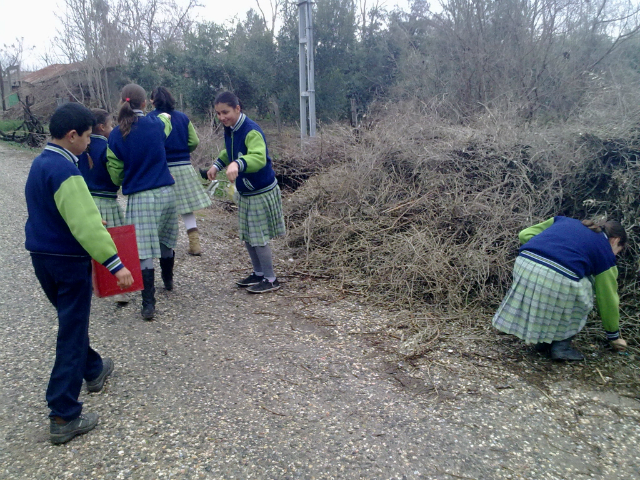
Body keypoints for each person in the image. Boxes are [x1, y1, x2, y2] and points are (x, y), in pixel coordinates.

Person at [25, 102, 134, 444]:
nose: (90, 143)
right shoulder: (66, 171)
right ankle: (63, 413)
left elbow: (55, 212)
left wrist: (87, 221)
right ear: (72, 135)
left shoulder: (41, 163)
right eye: (87, 137)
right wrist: (116, 265)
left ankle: (94, 369)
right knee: (71, 332)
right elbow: (85, 226)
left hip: (42, 256)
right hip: (67, 261)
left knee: (71, 321)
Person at [492, 216, 628, 361]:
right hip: (556, 277)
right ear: (615, 240)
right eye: (618, 250)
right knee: (585, 287)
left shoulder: (563, 220)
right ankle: (561, 347)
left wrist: (545, 251)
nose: (615, 255)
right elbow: (607, 299)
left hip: (524, 265)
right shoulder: (605, 253)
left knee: (551, 293)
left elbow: (524, 235)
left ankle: (542, 340)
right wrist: (613, 336)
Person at [107, 83, 178, 320]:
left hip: (141, 196)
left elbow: (116, 173)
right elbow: (167, 124)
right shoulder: (156, 124)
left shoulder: (116, 134)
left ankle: (149, 304)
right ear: (145, 103)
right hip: (166, 190)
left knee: (144, 249)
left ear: (122, 102)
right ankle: (168, 280)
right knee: (166, 239)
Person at [206, 91, 286, 294]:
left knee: (258, 237)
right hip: (246, 192)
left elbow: (259, 157)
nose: (222, 117)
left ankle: (270, 279)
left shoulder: (251, 130)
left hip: (260, 191)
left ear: (237, 109)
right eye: (218, 113)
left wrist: (239, 164)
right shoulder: (231, 128)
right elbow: (230, 151)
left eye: (226, 112)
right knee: (248, 236)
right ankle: (258, 273)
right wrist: (217, 165)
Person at [149, 86, 211, 255]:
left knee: (160, 209)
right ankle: (195, 244)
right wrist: (183, 150)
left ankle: (161, 247)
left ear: (152, 101)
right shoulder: (183, 118)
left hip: (162, 168)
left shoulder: (150, 119)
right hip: (184, 166)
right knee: (186, 208)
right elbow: (194, 141)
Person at [77, 109, 130, 304]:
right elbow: (116, 174)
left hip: (86, 202)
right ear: (102, 127)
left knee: (87, 245)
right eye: (110, 125)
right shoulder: (108, 148)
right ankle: (118, 288)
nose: (112, 128)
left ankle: (90, 282)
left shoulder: (80, 148)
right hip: (106, 201)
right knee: (114, 246)